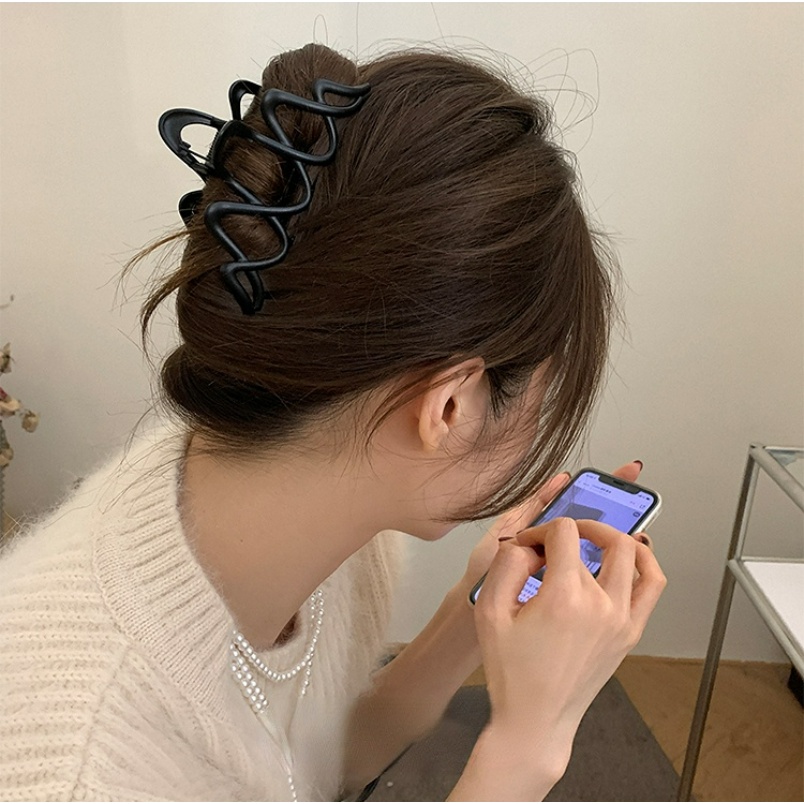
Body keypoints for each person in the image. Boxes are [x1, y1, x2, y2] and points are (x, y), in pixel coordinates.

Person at [0, 42, 666, 801]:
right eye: (541, 395)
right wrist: (529, 744)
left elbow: (311, 769)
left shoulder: (309, 494)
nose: (538, 425)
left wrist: (473, 610)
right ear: (448, 408)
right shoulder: (71, 768)